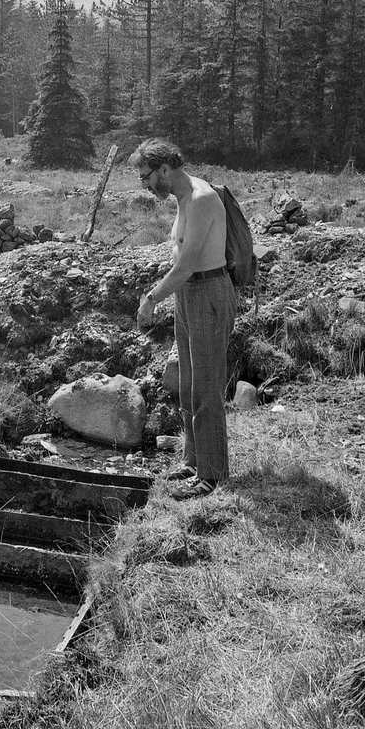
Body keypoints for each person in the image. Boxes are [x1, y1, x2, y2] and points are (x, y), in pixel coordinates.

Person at [131, 138, 238, 498]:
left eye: (147, 177)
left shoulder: (202, 198)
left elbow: (188, 264)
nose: (145, 185)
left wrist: (151, 298)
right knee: (190, 383)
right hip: (189, 293)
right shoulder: (181, 198)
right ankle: (194, 463)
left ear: (165, 169)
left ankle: (212, 476)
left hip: (208, 292)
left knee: (207, 387)